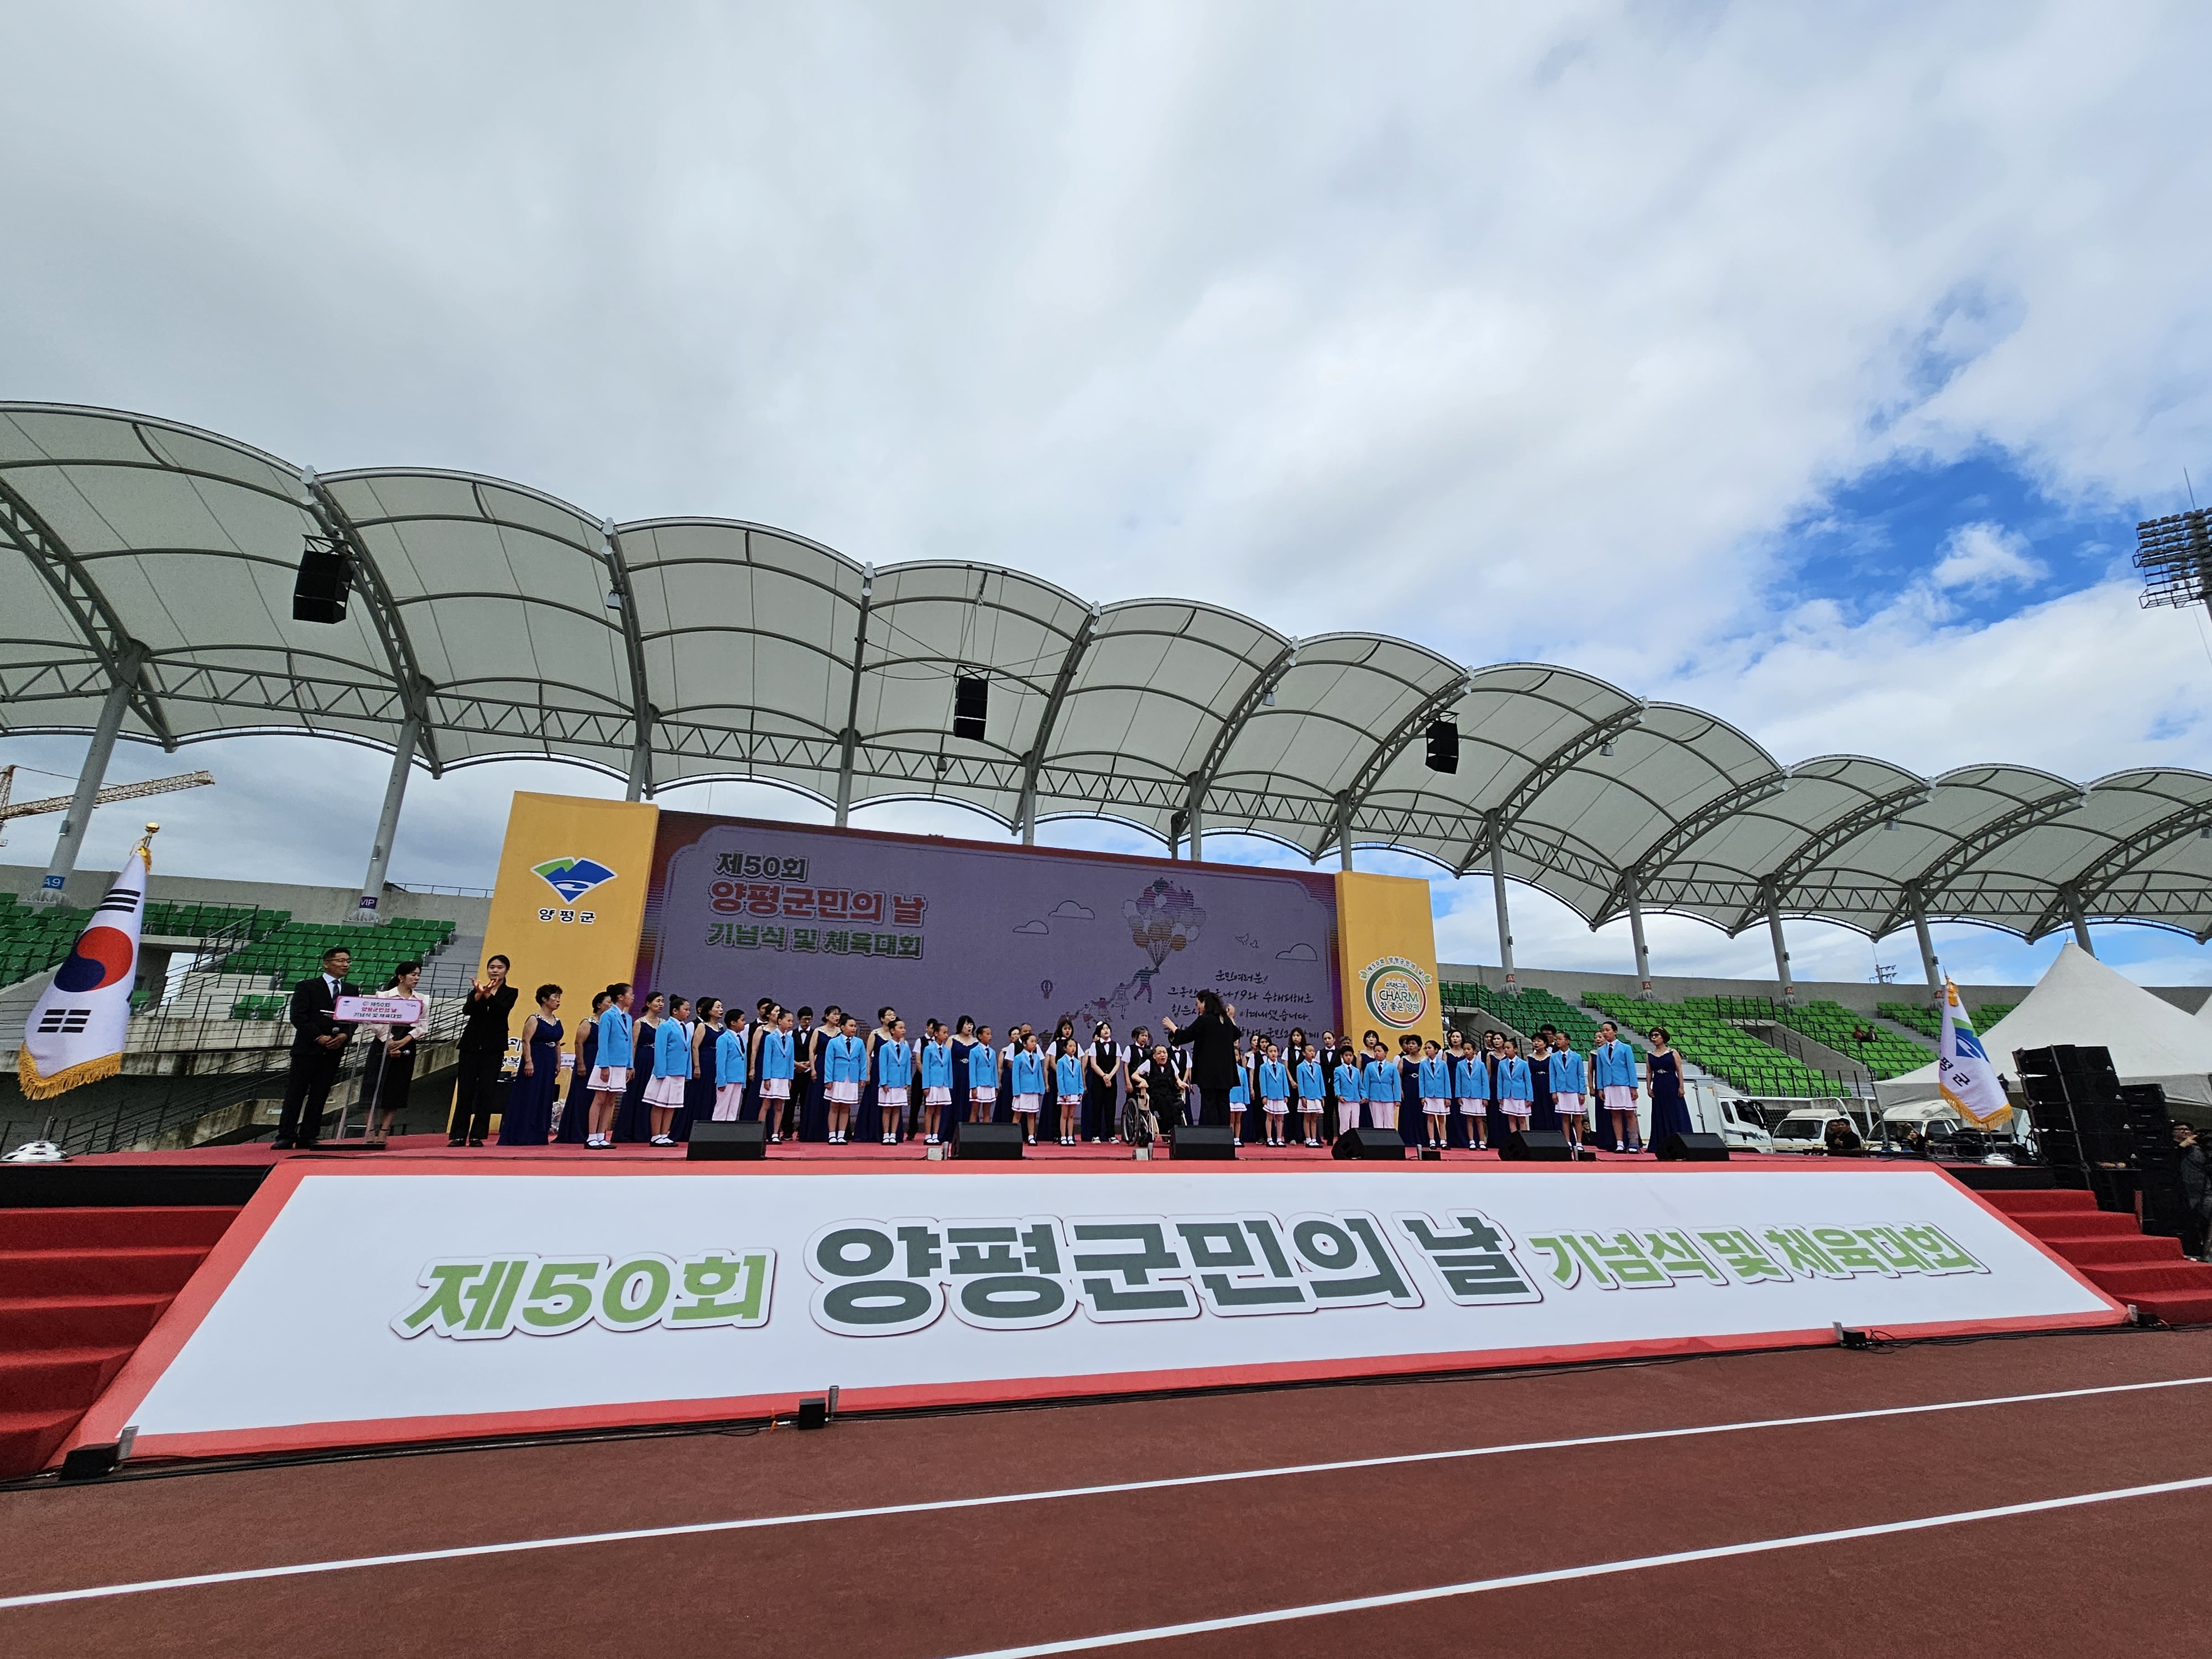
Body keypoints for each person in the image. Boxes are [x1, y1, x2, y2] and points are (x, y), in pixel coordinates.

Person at [275, 944, 357, 1150]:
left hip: (334, 1050)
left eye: (347, 961)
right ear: (327, 963)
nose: (345, 964)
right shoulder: (307, 986)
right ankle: (286, 1135)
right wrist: (318, 1037)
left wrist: (345, 1035)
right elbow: (299, 1016)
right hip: (308, 1048)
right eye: (341, 960)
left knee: (320, 1093)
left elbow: (353, 1018)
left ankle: (309, 1135)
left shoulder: (351, 990)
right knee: (296, 1092)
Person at [449, 954, 518, 1146]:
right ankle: (459, 1135)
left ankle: (478, 1135)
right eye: (492, 967)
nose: (495, 970)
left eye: (500, 967)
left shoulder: (511, 992)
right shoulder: (476, 990)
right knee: (465, 1091)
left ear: (507, 970)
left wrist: (488, 995)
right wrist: (479, 994)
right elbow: (468, 1010)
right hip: (470, 1045)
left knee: (487, 1091)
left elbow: (501, 1011)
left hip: (494, 1047)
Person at [361, 959, 422, 1149]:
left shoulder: (420, 999)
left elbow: (423, 1025)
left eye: (418, 975)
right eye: (413, 974)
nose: (417, 978)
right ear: (401, 977)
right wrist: (389, 1041)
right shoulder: (384, 996)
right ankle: (369, 1131)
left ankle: (384, 1131)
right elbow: (373, 1020)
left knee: (396, 1088)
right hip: (382, 1045)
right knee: (372, 1087)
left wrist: (404, 1041)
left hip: (407, 1045)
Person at [1163, 990, 1242, 1126]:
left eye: (1198, 1003)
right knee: (1223, 1104)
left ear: (1204, 1002)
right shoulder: (1226, 1021)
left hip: (1209, 1072)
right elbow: (1237, 1034)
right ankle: (1224, 1137)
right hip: (1225, 1072)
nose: (1197, 1007)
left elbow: (1186, 1036)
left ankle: (1212, 1136)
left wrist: (1173, 1028)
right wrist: (1230, 1016)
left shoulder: (1204, 1020)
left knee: (1209, 1103)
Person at [497, 984, 564, 1145]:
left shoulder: (557, 1020)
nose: (558, 1000)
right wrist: (528, 1062)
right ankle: (521, 1133)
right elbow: (526, 1041)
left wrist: (558, 1062)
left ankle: (538, 1134)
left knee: (544, 1095)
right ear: (544, 1000)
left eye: (559, 997)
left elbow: (557, 1041)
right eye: (555, 997)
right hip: (536, 1058)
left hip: (549, 1060)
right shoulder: (534, 1019)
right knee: (530, 1094)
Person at [557, 989, 609, 1145]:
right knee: (582, 1096)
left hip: (601, 1063)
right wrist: (581, 1064)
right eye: (609, 1003)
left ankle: (593, 1132)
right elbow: (579, 1043)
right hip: (587, 1061)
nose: (611, 1006)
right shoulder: (588, 1022)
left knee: (597, 1098)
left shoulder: (609, 1023)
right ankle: (576, 1132)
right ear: (599, 1005)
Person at [586, 984, 634, 1149]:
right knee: (599, 1099)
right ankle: (592, 1136)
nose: (632, 997)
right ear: (621, 997)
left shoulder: (628, 1018)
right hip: (606, 1063)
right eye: (630, 994)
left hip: (621, 1064)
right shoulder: (608, 1015)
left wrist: (629, 1065)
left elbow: (629, 1044)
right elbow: (603, 1042)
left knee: (612, 1100)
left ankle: (602, 1135)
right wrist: (604, 1066)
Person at [646, 995, 692, 1147]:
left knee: (672, 1105)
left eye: (689, 1010)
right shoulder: (665, 1027)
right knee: (659, 1104)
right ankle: (655, 1136)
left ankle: (664, 1134)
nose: (688, 1012)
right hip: (666, 1072)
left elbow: (688, 1051)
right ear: (675, 1011)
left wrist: (688, 1072)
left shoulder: (685, 1028)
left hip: (679, 1072)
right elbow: (660, 1050)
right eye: (685, 1010)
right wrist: (661, 1072)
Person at [1591, 1021, 1642, 1154]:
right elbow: (1600, 1070)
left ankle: (1633, 1143)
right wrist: (1600, 1088)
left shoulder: (1625, 1048)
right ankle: (1619, 1143)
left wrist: (1634, 1087)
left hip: (1624, 1084)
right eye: (1603, 1030)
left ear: (1615, 1031)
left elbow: (1631, 1068)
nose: (1605, 1033)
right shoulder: (1601, 1051)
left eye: (1607, 1030)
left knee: (1630, 1114)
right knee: (1615, 1114)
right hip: (1609, 1085)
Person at [1646, 1025, 1692, 1150]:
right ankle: (1661, 1142)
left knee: (1675, 1111)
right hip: (1658, 1084)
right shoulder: (1650, 1054)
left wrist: (1681, 1086)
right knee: (1660, 1112)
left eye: (1657, 1035)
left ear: (1663, 1037)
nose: (1654, 1038)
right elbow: (1649, 1072)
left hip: (1671, 1083)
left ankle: (1681, 1140)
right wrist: (1648, 1087)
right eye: (1652, 1036)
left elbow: (1679, 1070)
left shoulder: (1673, 1052)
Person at [823, 1013, 865, 1145]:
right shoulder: (834, 1042)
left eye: (855, 1026)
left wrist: (863, 1077)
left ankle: (841, 1135)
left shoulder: (859, 1043)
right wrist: (828, 1079)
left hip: (851, 1077)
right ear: (842, 1027)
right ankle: (832, 1135)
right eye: (851, 1026)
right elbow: (829, 1062)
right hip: (837, 1078)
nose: (854, 1029)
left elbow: (863, 1061)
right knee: (834, 1106)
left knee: (846, 1107)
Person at [758, 1006, 796, 1141]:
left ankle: (775, 1134)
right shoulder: (771, 1037)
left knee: (780, 1106)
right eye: (789, 1021)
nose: (791, 1024)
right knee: (766, 1105)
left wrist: (790, 1077)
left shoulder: (790, 1039)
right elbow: (767, 1058)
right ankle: (761, 1133)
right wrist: (767, 1077)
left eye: (792, 1021)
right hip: (772, 1076)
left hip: (784, 1077)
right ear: (780, 1021)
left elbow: (791, 1059)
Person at [875, 1016, 914, 1145]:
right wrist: (884, 1082)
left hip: (900, 1083)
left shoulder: (905, 1048)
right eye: (900, 1028)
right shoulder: (885, 1048)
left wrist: (907, 1082)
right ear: (892, 1031)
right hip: (889, 1082)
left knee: (897, 1109)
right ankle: (886, 1134)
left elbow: (908, 1065)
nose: (904, 1030)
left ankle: (893, 1134)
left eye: (904, 1028)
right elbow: (883, 1066)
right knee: (887, 1109)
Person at [1083, 1023, 1124, 1143]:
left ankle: (1111, 1134)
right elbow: (1093, 1064)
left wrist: (1110, 1076)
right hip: (1098, 1080)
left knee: (1111, 1107)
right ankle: (1095, 1134)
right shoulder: (1095, 1045)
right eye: (1103, 1029)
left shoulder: (1116, 1045)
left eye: (1108, 1028)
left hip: (1112, 1079)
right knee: (1097, 1107)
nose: (1106, 1030)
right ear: (1099, 1032)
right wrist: (1104, 1076)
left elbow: (1117, 1064)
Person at [1548, 1031, 1588, 1156]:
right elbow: (1552, 1075)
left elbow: (1581, 1075)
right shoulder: (1554, 1057)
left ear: (1568, 1041)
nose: (1558, 1041)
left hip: (1574, 1090)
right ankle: (1568, 1141)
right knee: (1565, 1117)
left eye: (1560, 1039)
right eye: (1556, 1040)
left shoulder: (1576, 1057)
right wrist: (1553, 1092)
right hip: (1561, 1090)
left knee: (1577, 1117)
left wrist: (1582, 1092)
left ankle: (1580, 1142)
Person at [2175, 1124, 2210, 1261]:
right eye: (2182, 1129)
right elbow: (2171, 1160)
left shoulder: (2199, 1150)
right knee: (2188, 1223)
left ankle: (2204, 1253)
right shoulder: (2175, 1148)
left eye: (2188, 1130)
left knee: (2206, 1223)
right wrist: (2182, 1146)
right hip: (2185, 1192)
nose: (2186, 1132)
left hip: (2205, 1191)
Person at [1453, 1036, 1490, 1152]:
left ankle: (1482, 1141)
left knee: (1479, 1120)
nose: (1466, 1051)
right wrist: (1458, 1096)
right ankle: (1472, 1141)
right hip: (1466, 1095)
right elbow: (1458, 1081)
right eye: (1465, 1049)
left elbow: (1485, 1081)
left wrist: (1485, 1097)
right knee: (1469, 1119)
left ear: (1474, 1051)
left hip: (1478, 1095)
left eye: (1469, 1049)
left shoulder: (1481, 1065)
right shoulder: (1460, 1064)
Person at [921, 1019, 954, 1145]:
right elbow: (926, 1068)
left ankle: (936, 1135)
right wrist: (926, 1085)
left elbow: (949, 1067)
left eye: (947, 1033)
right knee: (930, 1110)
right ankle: (928, 1135)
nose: (946, 1035)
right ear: (936, 1034)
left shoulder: (947, 1050)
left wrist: (949, 1084)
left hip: (943, 1083)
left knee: (939, 1110)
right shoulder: (929, 1049)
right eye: (944, 1032)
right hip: (932, 1083)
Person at [1010, 1030, 1047, 1145]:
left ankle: (1031, 1136)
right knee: (1018, 1114)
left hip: (1034, 1089)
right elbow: (1015, 1075)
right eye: (1032, 1042)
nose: (1034, 1044)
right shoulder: (1018, 1058)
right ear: (1025, 1044)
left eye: (1036, 1042)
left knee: (1032, 1114)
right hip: (1022, 1090)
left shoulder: (1036, 1058)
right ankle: (1013, 1136)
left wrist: (1041, 1089)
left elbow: (1039, 1074)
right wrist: (1016, 1091)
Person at [713, 1011, 749, 1120]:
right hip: (727, 1080)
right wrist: (721, 1081)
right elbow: (720, 1061)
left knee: (733, 1109)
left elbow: (744, 1061)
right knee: (722, 1108)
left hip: (738, 1079)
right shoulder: (724, 1039)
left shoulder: (742, 1039)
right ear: (733, 1022)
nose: (744, 1023)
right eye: (742, 1020)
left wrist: (743, 1082)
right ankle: (715, 1134)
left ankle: (729, 1134)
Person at [1417, 1038, 1452, 1151]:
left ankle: (1443, 1140)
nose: (1427, 1050)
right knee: (1430, 1118)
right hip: (1429, 1095)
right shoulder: (1423, 1064)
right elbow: (1421, 1081)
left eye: (1429, 1048)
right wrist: (1422, 1096)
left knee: (1442, 1119)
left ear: (1436, 1050)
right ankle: (1432, 1140)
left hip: (1441, 1094)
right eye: (1425, 1048)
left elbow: (1447, 1081)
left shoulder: (1443, 1065)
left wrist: (1448, 1097)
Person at [1495, 1037, 1532, 1138]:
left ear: (1515, 1049)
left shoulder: (1523, 1064)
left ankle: (1525, 1139)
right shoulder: (1502, 1064)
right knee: (1511, 1119)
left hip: (1520, 1094)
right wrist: (1500, 1095)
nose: (1506, 1050)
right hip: (1508, 1094)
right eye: (1505, 1048)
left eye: (1508, 1048)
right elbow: (1500, 1080)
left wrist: (1530, 1097)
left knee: (1522, 1119)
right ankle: (1515, 1140)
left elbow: (1528, 1081)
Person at [1362, 1036, 1401, 1133]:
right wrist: (1365, 1095)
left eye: (1379, 1051)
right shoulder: (1370, 1066)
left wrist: (1397, 1099)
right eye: (1375, 1051)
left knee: (1389, 1121)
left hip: (1388, 1097)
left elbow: (1396, 1083)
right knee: (1377, 1122)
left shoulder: (1392, 1067)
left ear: (1386, 1053)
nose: (1377, 1053)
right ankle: (1378, 1142)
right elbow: (1366, 1082)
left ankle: (1390, 1142)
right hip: (1374, 1097)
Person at [1258, 1039, 1291, 1149]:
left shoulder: (1281, 1067)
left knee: (1280, 1118)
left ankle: (1279, 1139)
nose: (1273, 1053)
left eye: (1275, 1051)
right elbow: (1262, 1082)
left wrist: (1286, 1094)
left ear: (1278, 1053)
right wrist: (1264, 1095)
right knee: (1269, 1118)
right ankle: (1269, 1139)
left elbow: (1284, 1081)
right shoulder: (1264, 1067)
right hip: (1270, 1096)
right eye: (1271, 1051)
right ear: (1267, 1053)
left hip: (1280, 1095)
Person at [967, 1024, 999, 1123]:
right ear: (980, 1036)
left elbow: (994, 1070)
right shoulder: (974, 1051)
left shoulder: (992, 1052)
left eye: (991, 1034)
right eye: (988, 1034)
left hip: (990, 1085)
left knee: (987, 1112)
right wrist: (973, 1087)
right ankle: (971, 1136)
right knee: (975, 1111)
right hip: (979, 1085)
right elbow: (972, 1071)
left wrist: (996, 1087)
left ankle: (986, 1135)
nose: (990, 1036)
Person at [1055, 1036, 1084, 1146]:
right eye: (1070, 1046)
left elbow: (1079, 1077)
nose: (1073, 1048)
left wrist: (1080, 1091)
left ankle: (1070, 1136)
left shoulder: (1077, 1062)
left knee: (1072, 1115)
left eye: (1074, 1046)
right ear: (1065, 1048)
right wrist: (1063, 1093)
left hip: (1075, 1091)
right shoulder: (1061, 1061)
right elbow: (1060, 1078)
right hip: (1065, 1092)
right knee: (1064, 1115)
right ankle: (1063, 1136)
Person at [1295, 1044, 1324, 1147]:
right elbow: (1301, 1083)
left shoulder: (1318, 1067)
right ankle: (1308, 1139)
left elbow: (1321, 1082)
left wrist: (1322, 1096)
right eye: (1310, 1051)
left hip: (1316, 1095)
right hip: (1307, 1096)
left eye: (1313, 1051)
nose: (1312, 1053)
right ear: (1304, 1053)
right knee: (1307, 1118)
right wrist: (1302, 1096)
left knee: (1314, 1119)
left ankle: (1314, 1139)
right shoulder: (1300, 1067)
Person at [1332, 1046, 1364, 1138]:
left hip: (1355, 1100)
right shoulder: (1338, 1070)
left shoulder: (1357, 1071)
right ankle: (1344, 1142)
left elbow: (1360, 1085)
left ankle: (1355, 1143)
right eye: (1346, 1055)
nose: (1349, 1057)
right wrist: (1338, 1095)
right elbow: (1337, 1084)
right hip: (1344, 1100)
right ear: (1342, 1056)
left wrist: (1364, 1095)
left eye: (1351, 1055)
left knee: (1355, 1123)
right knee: (1344, 1123)